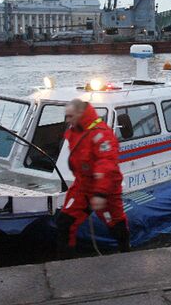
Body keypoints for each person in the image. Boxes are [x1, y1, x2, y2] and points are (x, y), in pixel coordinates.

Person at [56, 99, 130, 256]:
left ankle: (126, 253)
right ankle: (67, 263)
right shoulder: (75, 131)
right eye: (66, 117)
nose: (67, 120)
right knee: (65, 222)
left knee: (116, 224)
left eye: (70, 116)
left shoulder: (101, 134)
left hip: (105, 187)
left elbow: (107, 164)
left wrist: (100, 193)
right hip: (83, 185)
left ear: (80, 114)